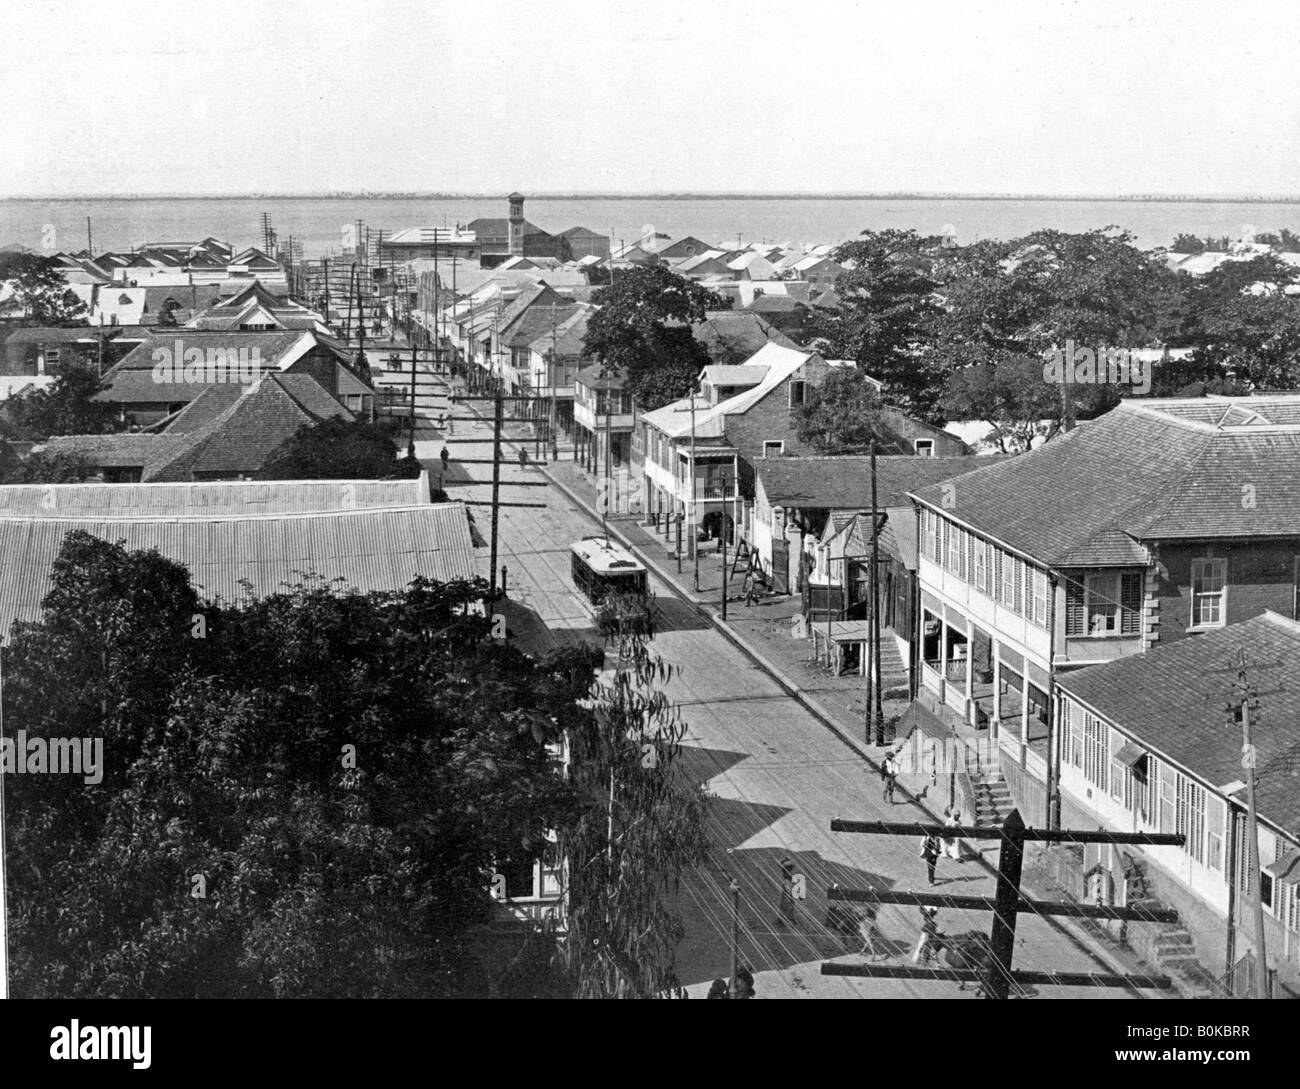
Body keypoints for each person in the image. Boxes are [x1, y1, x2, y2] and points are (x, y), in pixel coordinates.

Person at [776, 857, 798, 928]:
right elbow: (792, 862)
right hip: (787, 883)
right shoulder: (786, 868)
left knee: (787, 902)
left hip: (788, 883)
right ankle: (787, 918)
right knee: (787, 902)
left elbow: (793, 862)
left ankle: (784, 918)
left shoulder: (786, 867)